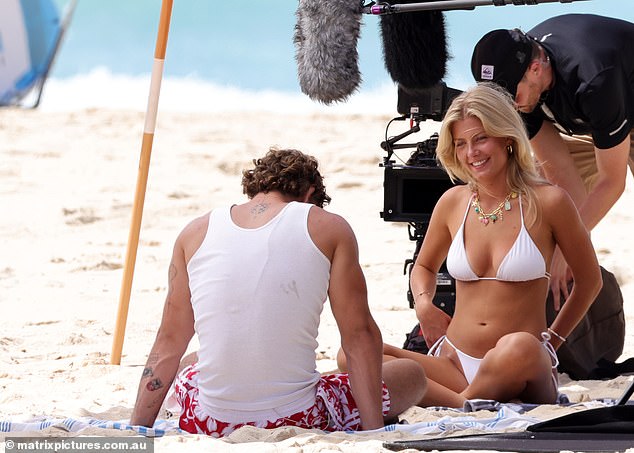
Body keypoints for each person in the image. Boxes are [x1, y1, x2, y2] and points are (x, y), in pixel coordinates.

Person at [129, 147, 427, 436]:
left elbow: (168, 340)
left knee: (192, 361)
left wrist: (137, 428)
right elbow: (359, 335)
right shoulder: (329, 228)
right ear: (310, 195)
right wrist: (371, 431)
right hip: (297, 417)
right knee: (412, 375)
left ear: (254, 188)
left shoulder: (193, 232)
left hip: (207, 420)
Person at [339, 83, 602, 407]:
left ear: (507, 138)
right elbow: (423, 267)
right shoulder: (453, 202)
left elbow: (590, 281)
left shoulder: (549, 201)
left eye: (480, 138)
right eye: (461, 143)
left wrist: (552, 342)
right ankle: (464, 401)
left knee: (519, 346)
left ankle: (452, 402)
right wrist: (424, 305)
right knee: (350, 353)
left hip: (520, 362)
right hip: (454, 363)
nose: (471, 153)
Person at [470, 14, 634, 300]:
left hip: (615, 91)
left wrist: (569, 246)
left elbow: (612, 183)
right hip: (599, 118)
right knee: (541, 188)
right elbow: (563, 177)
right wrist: (569, 252)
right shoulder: (522, 92)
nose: (509, 106)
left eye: (511, 96)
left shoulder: (592, 79)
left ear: (535, 68)